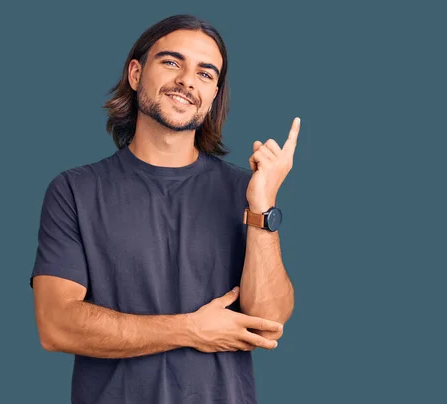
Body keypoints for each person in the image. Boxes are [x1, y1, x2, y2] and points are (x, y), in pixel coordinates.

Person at [30, 14, 298, 404]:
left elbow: (268, 322)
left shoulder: (245, 190)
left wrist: (262, 207)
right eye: (172, 62)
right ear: (136, 74)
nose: (188, 80)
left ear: (214, 95)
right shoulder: (74, 190)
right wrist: (191, 329)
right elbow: (56, 326)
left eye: (206, 74)